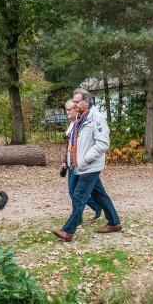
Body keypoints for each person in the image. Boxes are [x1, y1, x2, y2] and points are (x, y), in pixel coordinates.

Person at [52, 88, 121, 242]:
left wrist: (84, 160)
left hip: (90, 166)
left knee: (79, 196)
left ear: (87, 101)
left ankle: (68, 231)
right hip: (80, 166)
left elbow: (103, 144)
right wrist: (69, 161)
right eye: (74, 101)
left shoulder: (96, 118)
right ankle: (114, 223)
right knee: (100, 195)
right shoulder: (79, 118)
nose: (74, 104)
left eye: (77, 101)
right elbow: (74, 142)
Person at [62, 99, 102, 222]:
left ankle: (77, 218)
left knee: (76, 193)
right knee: (89, 192)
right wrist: (64, 161)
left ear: (76, 109)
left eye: (70, 109)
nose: (67, 112)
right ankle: (96, 207)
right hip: (71, 163)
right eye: (66, 110)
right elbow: (69, 145)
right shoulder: (71, 124)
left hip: (80, 163)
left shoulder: (81, 124)